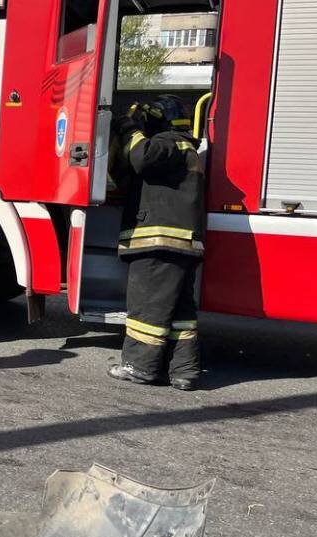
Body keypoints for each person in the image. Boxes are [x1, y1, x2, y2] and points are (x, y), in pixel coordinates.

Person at [108, 94, 206, 391]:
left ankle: (139, 366)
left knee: (148, 306)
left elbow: (141, 156)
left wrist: (128, 127)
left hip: (159, 244)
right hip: (180, 246)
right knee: (180, 313)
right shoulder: (185, 150)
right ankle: (184, 371)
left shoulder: (169, 142)